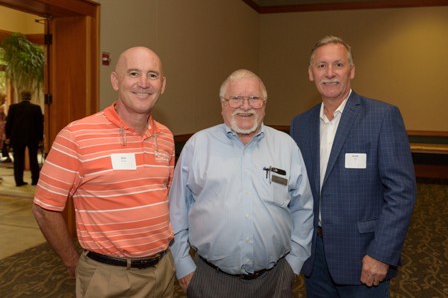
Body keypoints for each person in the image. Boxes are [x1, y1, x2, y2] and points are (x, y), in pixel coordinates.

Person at [32, 47, 176, 298]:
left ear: (162, 85)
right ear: (115, 80)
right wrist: (71, 261)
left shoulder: (165, 137)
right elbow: (45, 208)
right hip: (110, 278)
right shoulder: (76, 136)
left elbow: (163, 197)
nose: (144, 83)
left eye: (152, 75)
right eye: (133, 73)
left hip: (162, 271)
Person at [169, 69, 314, 298]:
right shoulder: (198, 146)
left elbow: (303, 207)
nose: (245, 106)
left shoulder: (287, 147)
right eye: (236, 98)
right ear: (223, 104)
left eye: (254, 98)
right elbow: (176, 210)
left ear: (264, 104)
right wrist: (183, 265)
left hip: (275, 279)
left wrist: (294, 263)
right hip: (210, 279)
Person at [290, 35, 416, 297]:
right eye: (321, 66)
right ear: (311, 74)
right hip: (316, 257)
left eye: (338, 65)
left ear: (352, 70)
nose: (330, 73)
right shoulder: (300, 124)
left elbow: (402, 192)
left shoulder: (382, 116)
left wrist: (381, 253)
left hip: (364, 257)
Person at [5, 91, 43, 186]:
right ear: (30, 97)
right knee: (33, 159)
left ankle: (19, 181)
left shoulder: (13, 108)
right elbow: (39, 125)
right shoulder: (36, 108)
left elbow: (9, 123)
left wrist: (8, 136)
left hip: (17, 137)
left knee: (18, 160)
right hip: (32, 137)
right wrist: (40, 138)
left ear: (21, 97)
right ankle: (35, 180)